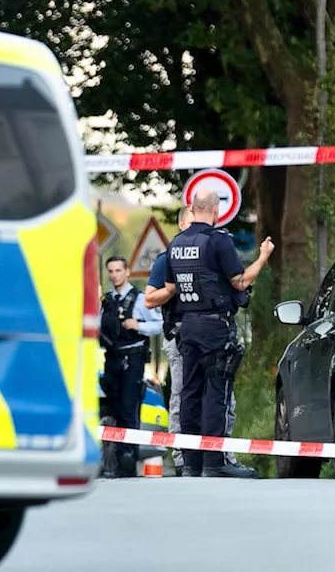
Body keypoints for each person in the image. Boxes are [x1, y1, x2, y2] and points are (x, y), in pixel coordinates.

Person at [155, 189, 273, 478]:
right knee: (216, 393)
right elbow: (240, 282)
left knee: (189, 394)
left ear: (193, 210)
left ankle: (191, 463)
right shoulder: (218, 241)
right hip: (214, 326)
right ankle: (215, 460)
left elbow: (170, 288)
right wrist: (263, 257)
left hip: (187, 327)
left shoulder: (176, 244)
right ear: (216, 210)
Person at [145, 206, 250, 475]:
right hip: (185, 331)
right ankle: (189, 459)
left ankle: (203, 459)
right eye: (191, 224)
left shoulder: (204, 251)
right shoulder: (167, 258)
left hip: (194, 330)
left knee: (208, 396)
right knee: (190, 395)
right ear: (181, 225)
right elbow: (151, 297)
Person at [98, 255, 164, 478]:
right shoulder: (106, 301)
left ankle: (128, 458)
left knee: (128, 409)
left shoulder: (139, 299)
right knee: (114, 409)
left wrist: (139, 325)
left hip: (132, 360)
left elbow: (160, 325)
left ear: (127, 272)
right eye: (111, 271)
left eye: (118, 270)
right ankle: (115, 462)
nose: (114, 275)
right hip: (112, 358)